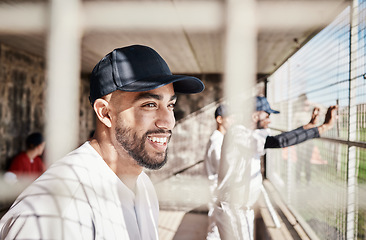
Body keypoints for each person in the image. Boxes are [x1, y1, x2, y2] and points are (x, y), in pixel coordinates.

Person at [0, 45, 204, 239]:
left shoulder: (143, 184)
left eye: (170, 105)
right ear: (105, 113)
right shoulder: (54, 209)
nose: (168, 121)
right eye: (149, 104)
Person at [211, 96, 337, 240]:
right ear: (254, 115)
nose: (269, 120)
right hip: (232, 209)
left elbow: (281, 137)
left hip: (240, 208)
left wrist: (308, 126)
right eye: (267, 115)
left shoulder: (248, 133)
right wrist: (323, 128)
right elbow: (278, 141)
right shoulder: (238, 133)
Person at [204, 104, 232, 239]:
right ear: (219, 119)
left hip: (218, 188)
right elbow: (223, 167)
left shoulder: (221, 138)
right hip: (216, 189)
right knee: (215, 230)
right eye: (230, 118)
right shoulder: (217, 140)